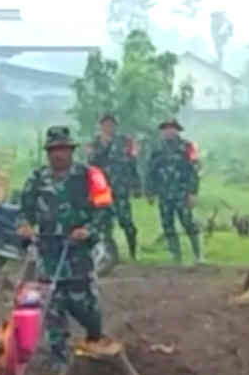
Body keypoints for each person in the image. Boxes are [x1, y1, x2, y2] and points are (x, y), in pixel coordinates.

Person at [16, 125, 119, 374]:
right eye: (54, 150)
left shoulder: (89, 176)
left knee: (85, 307)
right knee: (52, 306)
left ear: (71, 150)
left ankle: (95, 338)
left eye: (63, 149)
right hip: (48, 252)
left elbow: (105, 211)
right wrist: (25, 227)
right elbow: (23, 211)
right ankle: (59, 359)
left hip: (78, 254)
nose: (58, 154)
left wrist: (88, 230)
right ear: (48, 152)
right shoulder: (37, 178)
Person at [85, 113, 140, 261]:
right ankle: (109, 256)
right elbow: (91, 163)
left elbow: (132, 164)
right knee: (104, 224)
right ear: (100, 126)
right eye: (105, 124)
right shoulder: (94, 144)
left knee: (127, 223)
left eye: (111, 124)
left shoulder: (125, 142)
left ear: (116, 126)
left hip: (121, 189)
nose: (108, 127)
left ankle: (133, 253)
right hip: (102, 190)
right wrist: (104, 145)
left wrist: (136, 185)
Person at [148, 118, 202, 264]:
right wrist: (150, 191)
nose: (169, 131)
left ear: (177, 130)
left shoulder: (187, 147)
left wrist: (193, 192)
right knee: (167, 225)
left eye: (172, 128)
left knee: (188, 223)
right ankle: (176, 257)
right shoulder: (157, 149)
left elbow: (194, 171)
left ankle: (198, 255)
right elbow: (151, 171)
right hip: (164, 194)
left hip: (182, 193)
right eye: (166, 129)